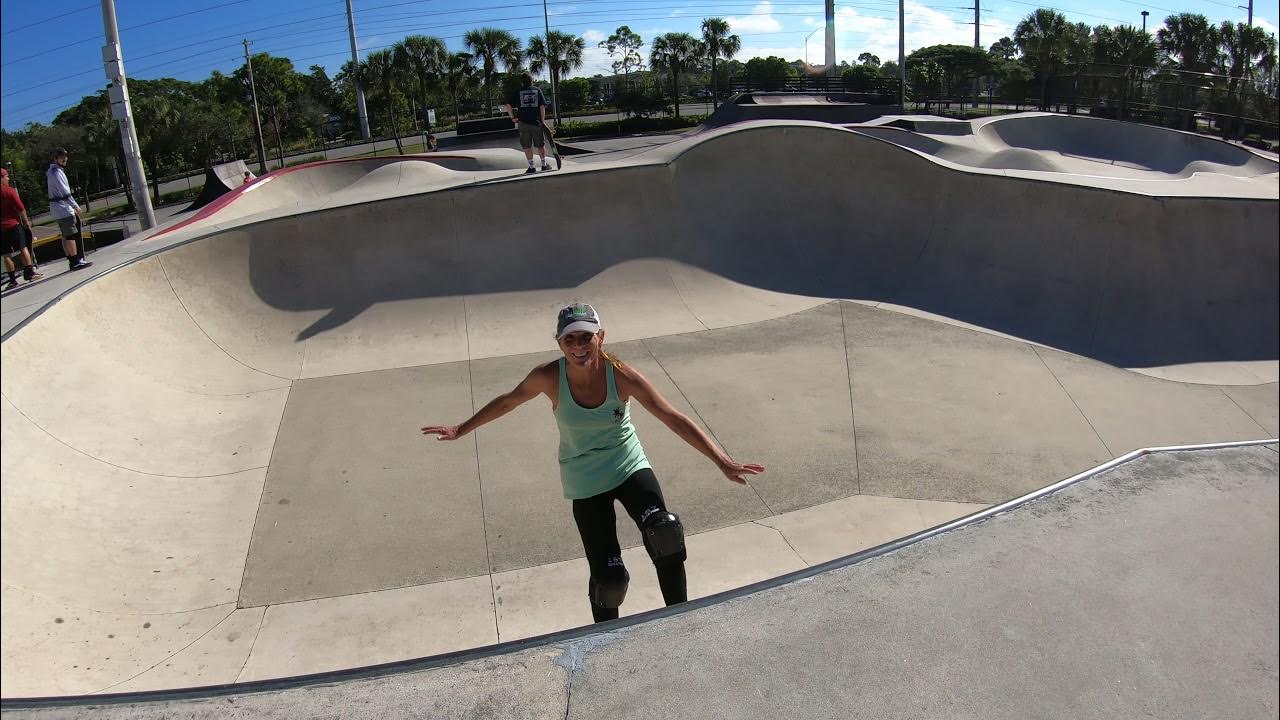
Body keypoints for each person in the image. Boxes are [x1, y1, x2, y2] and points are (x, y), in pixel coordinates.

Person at [423, 303, 764, 622]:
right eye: (569, 339)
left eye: (585, 336)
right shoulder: (548, 377)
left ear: (600, 337)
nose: (578, 346)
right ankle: (604, 644)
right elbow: (509, 401)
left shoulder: (623, 376)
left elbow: (671, 416)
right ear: (559, 344)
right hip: (584, 481)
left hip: (628, 466)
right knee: (608, 579)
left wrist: (722, 461)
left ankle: (681, 619)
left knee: (665, 532)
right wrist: (461, 428)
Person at [45, 148, 91, 272]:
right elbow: (65, 192)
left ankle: (71, 260)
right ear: (55, 158)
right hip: (63, 208)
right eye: (61, 157)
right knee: (71, 235)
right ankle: (76, 261)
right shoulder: (56, 172)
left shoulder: (51, 171)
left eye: (65, 156)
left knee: (66, 235)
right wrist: (75, 206)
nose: (64, 159)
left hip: (58, 209)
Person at [1, 168, 43, 289]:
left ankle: (12, 280)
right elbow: (20, 208)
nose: (8, 179)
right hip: (13, 225)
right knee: (23, 248)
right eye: (6, 177)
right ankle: (29, 272)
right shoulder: (9, 191)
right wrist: (25, 222)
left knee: (6, 255)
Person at [504, 72, 552, 174]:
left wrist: (512, 117)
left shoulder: (518, 91)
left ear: (522, 82)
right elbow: (542, 106)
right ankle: (544, 165)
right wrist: (543, 121)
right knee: (540, 145)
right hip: (536, 122)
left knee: (527, 146)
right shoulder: (537, 90)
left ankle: (532, 167)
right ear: (531, 80)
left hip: (523, 123)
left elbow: (508, 104)